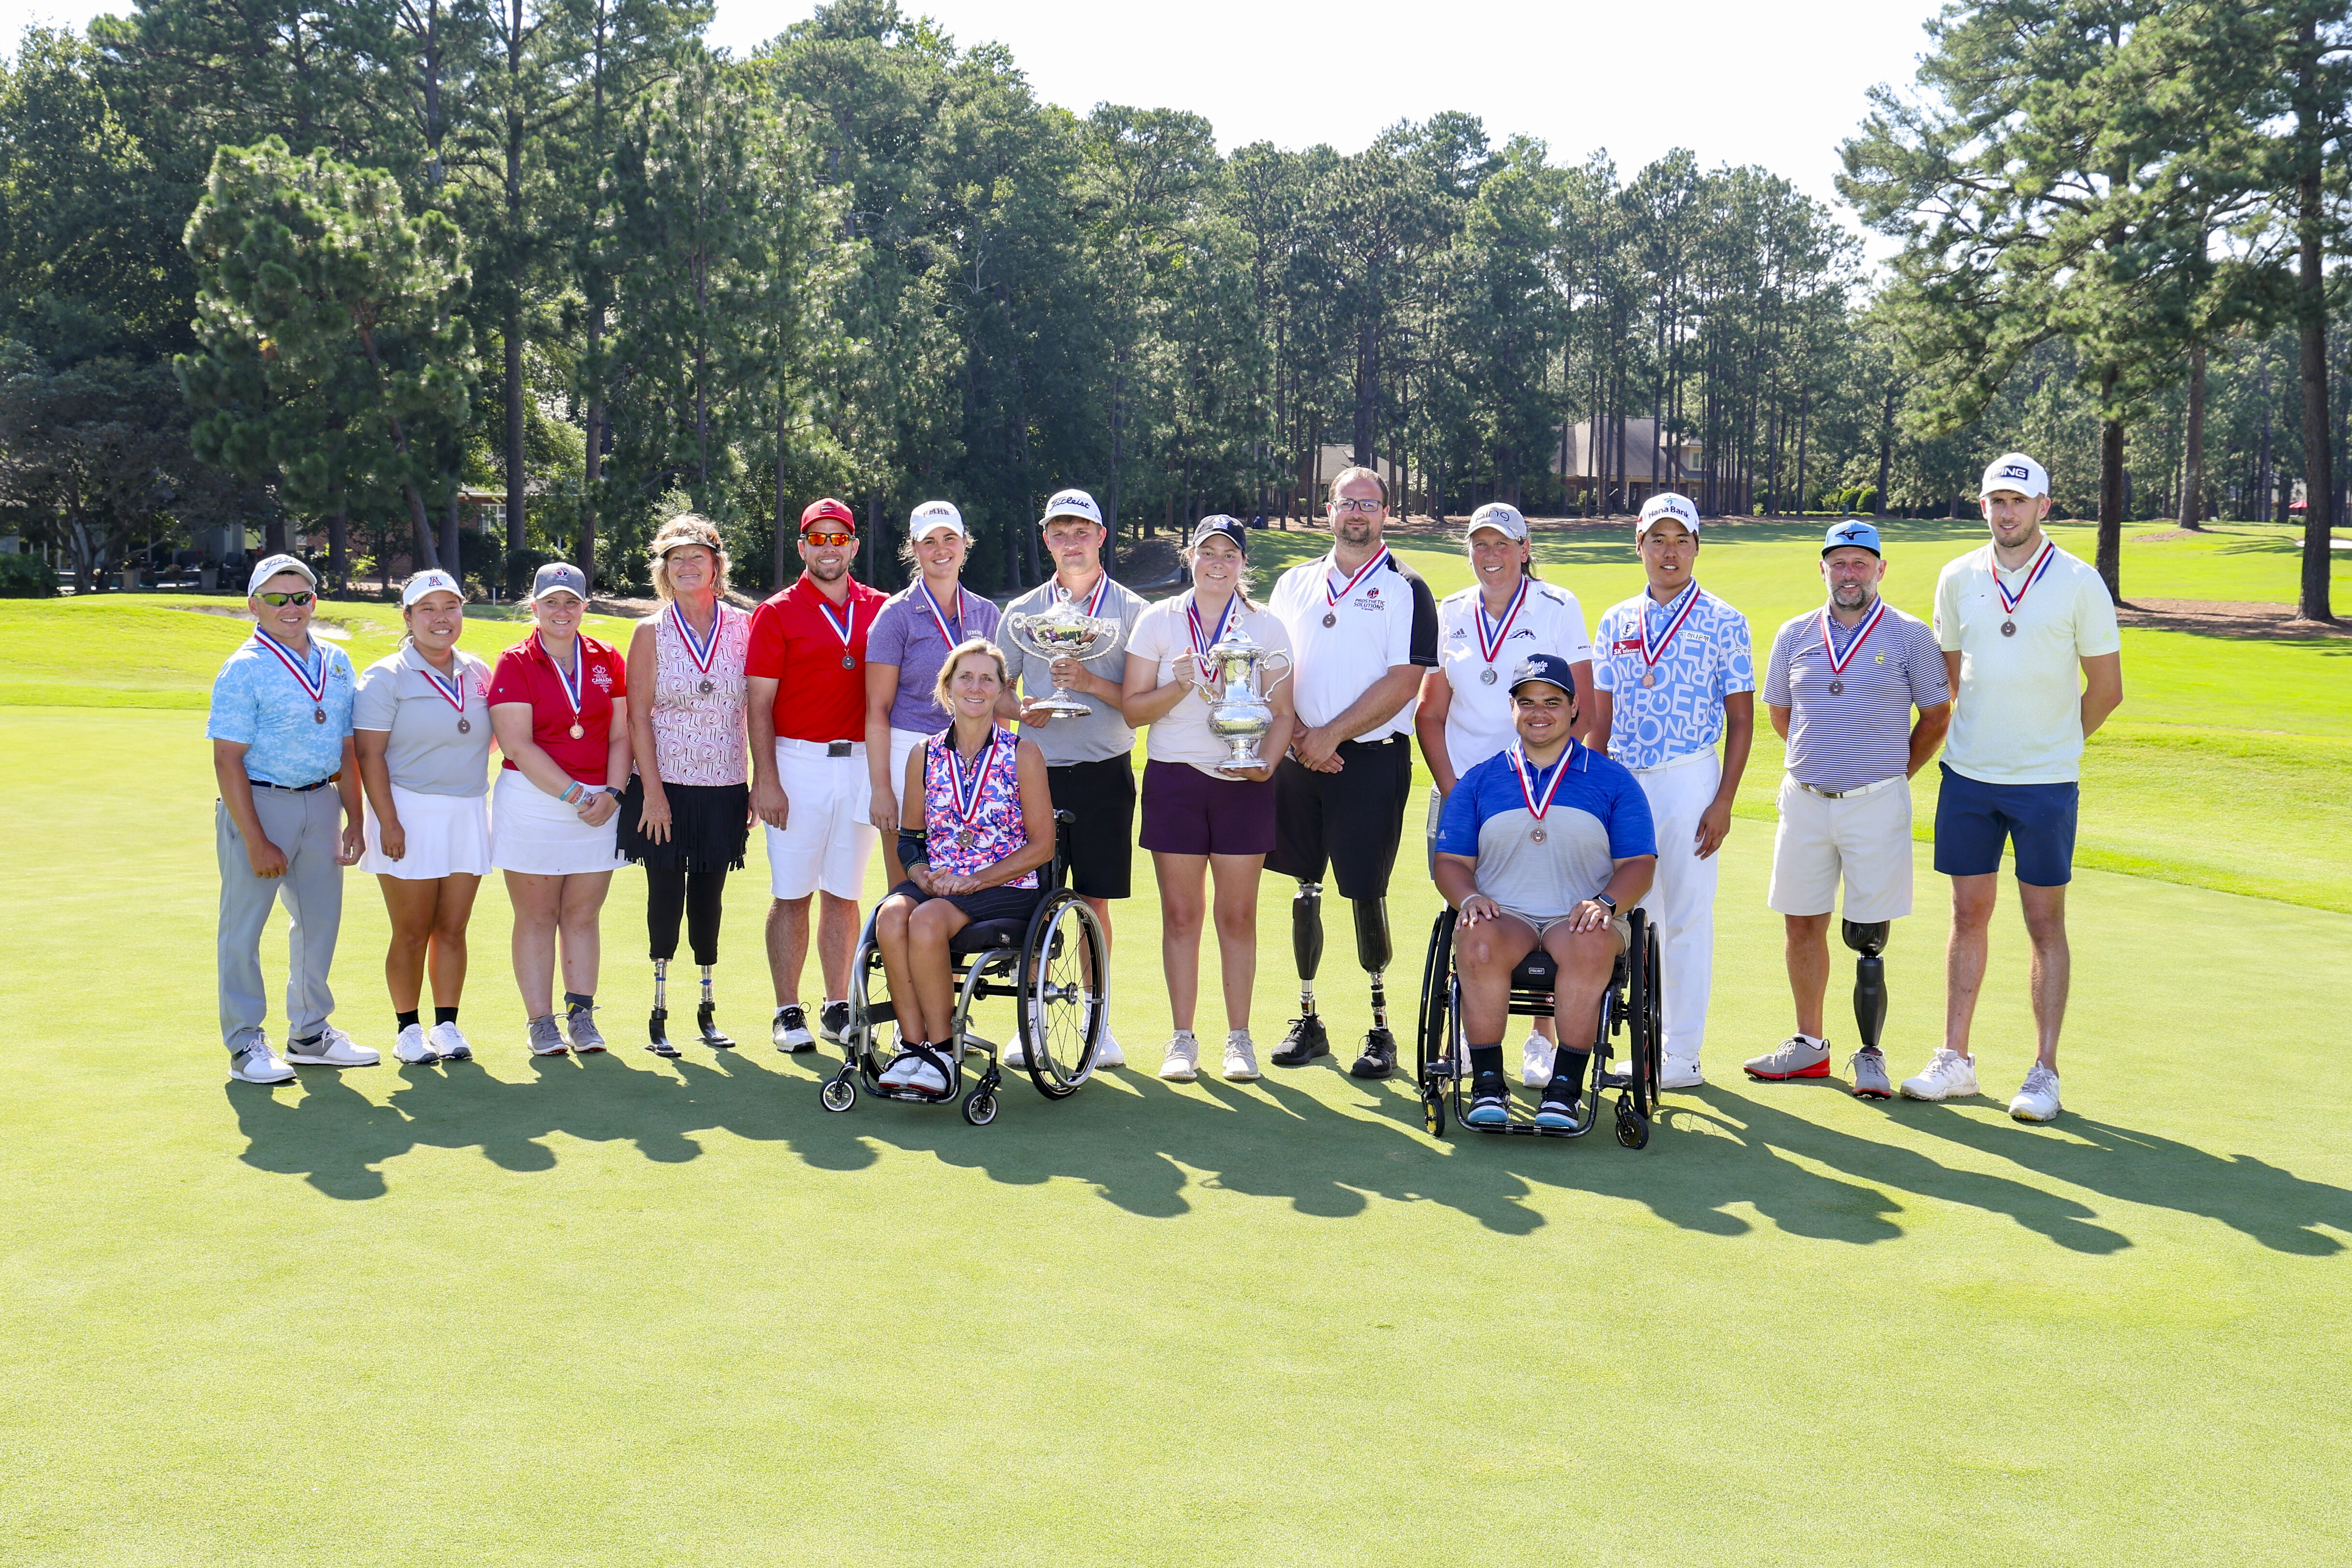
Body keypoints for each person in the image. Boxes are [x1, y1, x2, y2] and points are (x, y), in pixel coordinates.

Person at [1901, 453, 2123, 1122]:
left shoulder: (2080, 582)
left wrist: (2054, 747)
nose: (2007, 512)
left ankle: (2044, 1070)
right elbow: (1944, 685)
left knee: (2043, 923)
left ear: (2044, 507)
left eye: (2019, 501)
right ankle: (1955, 1060)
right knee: (1966, 915)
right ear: (1983, 506)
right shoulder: (1957, 577)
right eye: (1996, 500)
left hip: (2044, 785)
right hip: (1968, 776)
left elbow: (2107, 690)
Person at [1742, 521, 1951, 1098]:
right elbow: (1782, 713)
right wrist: (1824, 759)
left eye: (1861, 563)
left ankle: (1870, 1055)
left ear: (1880, 570)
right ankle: (1810, 1046)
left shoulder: (1910, 636)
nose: (1850, 573)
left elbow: (1936, 717)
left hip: (1875, 803)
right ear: (1824, 569)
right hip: (1805, 799)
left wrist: (1890, 773)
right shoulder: (1794, 634)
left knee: (1868, 934)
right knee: (1802, 921)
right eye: (1840, 563)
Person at [1263, 466, 1440, 1078]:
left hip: (1367, 761)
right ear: (1329, 509)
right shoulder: (1294, 583)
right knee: (1303, 889)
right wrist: (1297, 742)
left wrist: (1330, 735)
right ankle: (1308, 1020)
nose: (1356, 513)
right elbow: (1273, 668)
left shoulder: (1406, 587)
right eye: (1346, 502)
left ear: (1386, 512)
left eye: (1368, 503)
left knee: (1366, 891)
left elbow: (1404, 681)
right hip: (1297, 761)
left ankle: (1380, 1028)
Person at [1414, 500, 1595, 1089]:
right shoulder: (1449, 612)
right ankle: (1473, 1036)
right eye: (1480, 545)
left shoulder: (1558, 606)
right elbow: (1430, 714)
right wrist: (1458, 795)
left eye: (1503, 544)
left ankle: (1542, 1040)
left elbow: (1583, 707)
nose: (1490, 556)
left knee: (1542, 907)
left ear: (1524, 550)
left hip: (1540, 793)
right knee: (1467, 911)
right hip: (1465, 789)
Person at [1433, 654, 1656, 1128]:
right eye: (1528, 702)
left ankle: (1565, 1090)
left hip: (1581, 915)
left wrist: (1606, 904)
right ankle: (1488, 1084)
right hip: (1504, 914)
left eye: (1553, 702)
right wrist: (1469, 899)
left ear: (1574, 709)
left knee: (1591, 940)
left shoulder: (1613, 780)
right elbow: (1451, 864)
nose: (1540, 713)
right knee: (1474, 938)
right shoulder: (1479, 781)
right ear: (1511, 708)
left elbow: (1639, 863)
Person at [1588, 492, 1754, 1090]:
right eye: (1657, 540)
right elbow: (1599, 725)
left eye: (1681, 540)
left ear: (1696, 547)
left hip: (1690, 777)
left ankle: (1682, 1053)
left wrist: (1724, 800)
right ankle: (1646, 1043)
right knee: (1639, 918)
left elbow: (1741, 720)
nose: (1669, 552)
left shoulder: (1725, 620)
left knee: (1686, 916)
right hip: (1627, 784)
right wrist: (1596, 794)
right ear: (1639, 546)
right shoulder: (1614, 621)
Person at [1122, 516, 1296, 1082]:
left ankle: (1239, 1039)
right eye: (1207, 552)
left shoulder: (1266, 626)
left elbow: (1285, 712)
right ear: (1190, 557)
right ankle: (1182, 1038)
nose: (1218, 563)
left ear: (1243, 563)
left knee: (1238, 914)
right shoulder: (1158, 620)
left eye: (1229, 554)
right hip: (1175, 777)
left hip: (1243, 782)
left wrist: (1265, 764)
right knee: (1181, 914)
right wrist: (1180, 684)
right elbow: (1133, 711)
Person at [208, 553, 373, 1083]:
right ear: (255, 605)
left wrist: (355, 819)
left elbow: (347, 748)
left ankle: (309, 1034)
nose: (291, 607)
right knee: (244, 929)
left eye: (301, 597)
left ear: (314, 602)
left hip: (322, 801)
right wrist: (256, 840)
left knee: (319, 922)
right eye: (277, 598)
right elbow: (227, 758)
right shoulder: (243, 667)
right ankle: (244, 1044)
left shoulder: (337, 661)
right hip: (261, 803)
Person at [998, 487, 1147, 1069]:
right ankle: (1029, 1018)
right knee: (1031, 901)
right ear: (1046, 540)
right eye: (1059, 532)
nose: (1071, 541)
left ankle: (1094, 1017)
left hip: (1104, 771)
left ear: (1101, 536)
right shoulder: (1023, 611)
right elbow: (993, 692)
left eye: (1081, 531)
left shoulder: (1133, 611)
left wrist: (1088, 685)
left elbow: (1138, 704)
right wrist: (1023, 709)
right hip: (1034, 774)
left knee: (1093, 901)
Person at [870, 639, 1057, 1097]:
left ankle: (942, 1051)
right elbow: (912, 839)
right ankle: (913, 1047)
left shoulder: (1022, 754)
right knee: (892, 915)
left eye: (986, 679)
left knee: (929, 920)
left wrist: (975, 880)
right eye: (965, 678)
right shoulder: (925, 753)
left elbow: (1043, 846)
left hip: (1007, 882)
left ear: (1001, 692)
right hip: (941, 881)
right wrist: (919, 875)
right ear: (947, 688)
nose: (975, 687)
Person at [747, 498, 891, 1055]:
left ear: (853, 547)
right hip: (797, 763)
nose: (829, 549)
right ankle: (788, 1010)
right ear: (803, 546)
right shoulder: (777, 611)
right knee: (791, 894)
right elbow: (759, 704)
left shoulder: (880, 606)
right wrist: (767, 779)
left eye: (840, 539)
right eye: (818, 539)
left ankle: (837, 1005)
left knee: (844, 892)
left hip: (859, 762)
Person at [621, 514, 752, 1058]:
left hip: (723, 786)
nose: (687, 566)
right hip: (664, 790)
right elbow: (637, 717)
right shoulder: (650, 631)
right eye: (676, 559)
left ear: (716, 567)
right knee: (665, 896)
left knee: (709, 897)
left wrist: (756, 783)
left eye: (697, 557)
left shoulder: (746, 627)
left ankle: (706, 1009)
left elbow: (760, 707)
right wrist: (652, 793)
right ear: (664, 571)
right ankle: (659, 1013)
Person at [487, 561, 630, 1057]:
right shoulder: (515, 662)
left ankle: (582, 1016)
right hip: (535, 804)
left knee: (583, 915)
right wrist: (577, 796)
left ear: (585, 607)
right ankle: (540, 1022)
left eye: (572, 601)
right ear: (535, 607)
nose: (562, 611)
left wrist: (613, 793)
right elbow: (519, 746)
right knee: (537, 916)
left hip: (599, 805)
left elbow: (621, 734)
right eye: (552, 602)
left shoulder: (606, 657)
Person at [353, 568, 493, 1066]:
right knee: (412, 930)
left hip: (467, 810)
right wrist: (387, 822)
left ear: (462, 612)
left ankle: (448, 1025)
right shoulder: (384, 676)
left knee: (453, 929)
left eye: (450, 607)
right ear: (408, 617)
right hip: (407, 811)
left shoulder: (478, 672)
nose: (441, 618)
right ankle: (407, 1029)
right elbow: (369, 756)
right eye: (427, 609)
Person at [866, 500, 1003, 877]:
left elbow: (1000, 701)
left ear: (964, 544)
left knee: (971, 869)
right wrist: (880, 789)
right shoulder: (894, 615)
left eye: (950, 539)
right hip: (908, 752)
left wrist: (1002, 763)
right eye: (929, 542)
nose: (941, 550)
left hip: (976, 752)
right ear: (914, 548)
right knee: (906, 880)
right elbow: (877, 709)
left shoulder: (987, 613)